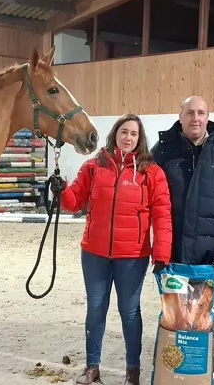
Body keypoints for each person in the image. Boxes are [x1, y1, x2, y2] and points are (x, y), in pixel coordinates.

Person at [57, 113, 174, 385]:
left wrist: (162, 253)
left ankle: (132, 371)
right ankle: (91, 368)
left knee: (129, 311)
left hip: (132, 256)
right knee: (96, 309)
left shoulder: (151, 172)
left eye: (133, 133)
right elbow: (74, 202)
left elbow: (162, 214)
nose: (128, 137)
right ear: (115, 134)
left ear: (139, 139)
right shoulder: (93, 167)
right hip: (95, 253)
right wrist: (61, 190)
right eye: (124, 132)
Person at [151, 95, 214, 383]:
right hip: (174, 246)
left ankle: (205, 360)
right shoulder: (164, 149)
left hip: (209, 249)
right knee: (175, 309)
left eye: (201, 113)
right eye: (190, 113)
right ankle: (173, 363)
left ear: (208, 117)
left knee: (203, 310)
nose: (196, 118)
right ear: (180, 116)